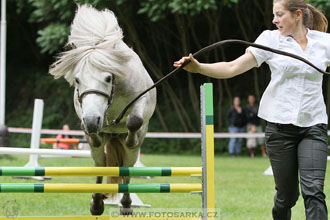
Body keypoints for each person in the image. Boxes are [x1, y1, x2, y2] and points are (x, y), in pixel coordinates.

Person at [173, 1, 329, 219]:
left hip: (314, 126)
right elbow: (232, 67)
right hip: (279, 129)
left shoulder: (324, 42)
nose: (274, 20)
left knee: (314, 191)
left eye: (279, 14)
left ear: (297, 15)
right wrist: (199, 67)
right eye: (274, 15)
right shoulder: (270, 39)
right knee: (287, 197)